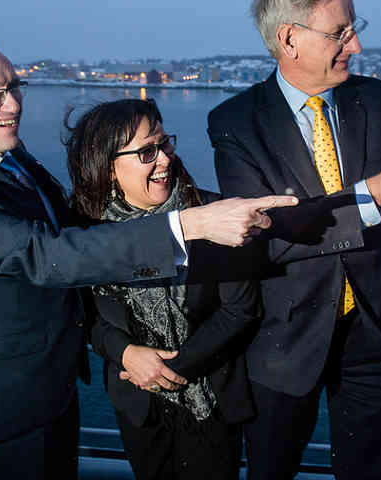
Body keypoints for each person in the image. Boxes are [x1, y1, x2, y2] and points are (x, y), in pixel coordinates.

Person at [0, 35, 296, 480]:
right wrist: (190, 225)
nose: (12, 104)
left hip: (50, 386)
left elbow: (74, 241)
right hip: (7, 400)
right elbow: (48, 254)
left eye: (14, 86)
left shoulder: (9, 159)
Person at [207, 0, 381, 480]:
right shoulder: (236, 123)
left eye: (355, 29)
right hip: (284, 343)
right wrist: (372, 195)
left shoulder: (377, 99)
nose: (356, 46)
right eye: (340, 33)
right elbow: (267, 233)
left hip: (378, 334)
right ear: (289, 38)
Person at [66, 98, 258, 480]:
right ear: (107, 168)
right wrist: (125, 353)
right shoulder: (86, 231)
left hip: (212, 398)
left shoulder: (213, 215)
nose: (166, 159)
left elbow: (241, 309)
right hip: (140, 407)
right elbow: (86, 315)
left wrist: (162, 369)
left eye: (165, 143)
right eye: (147, 152)